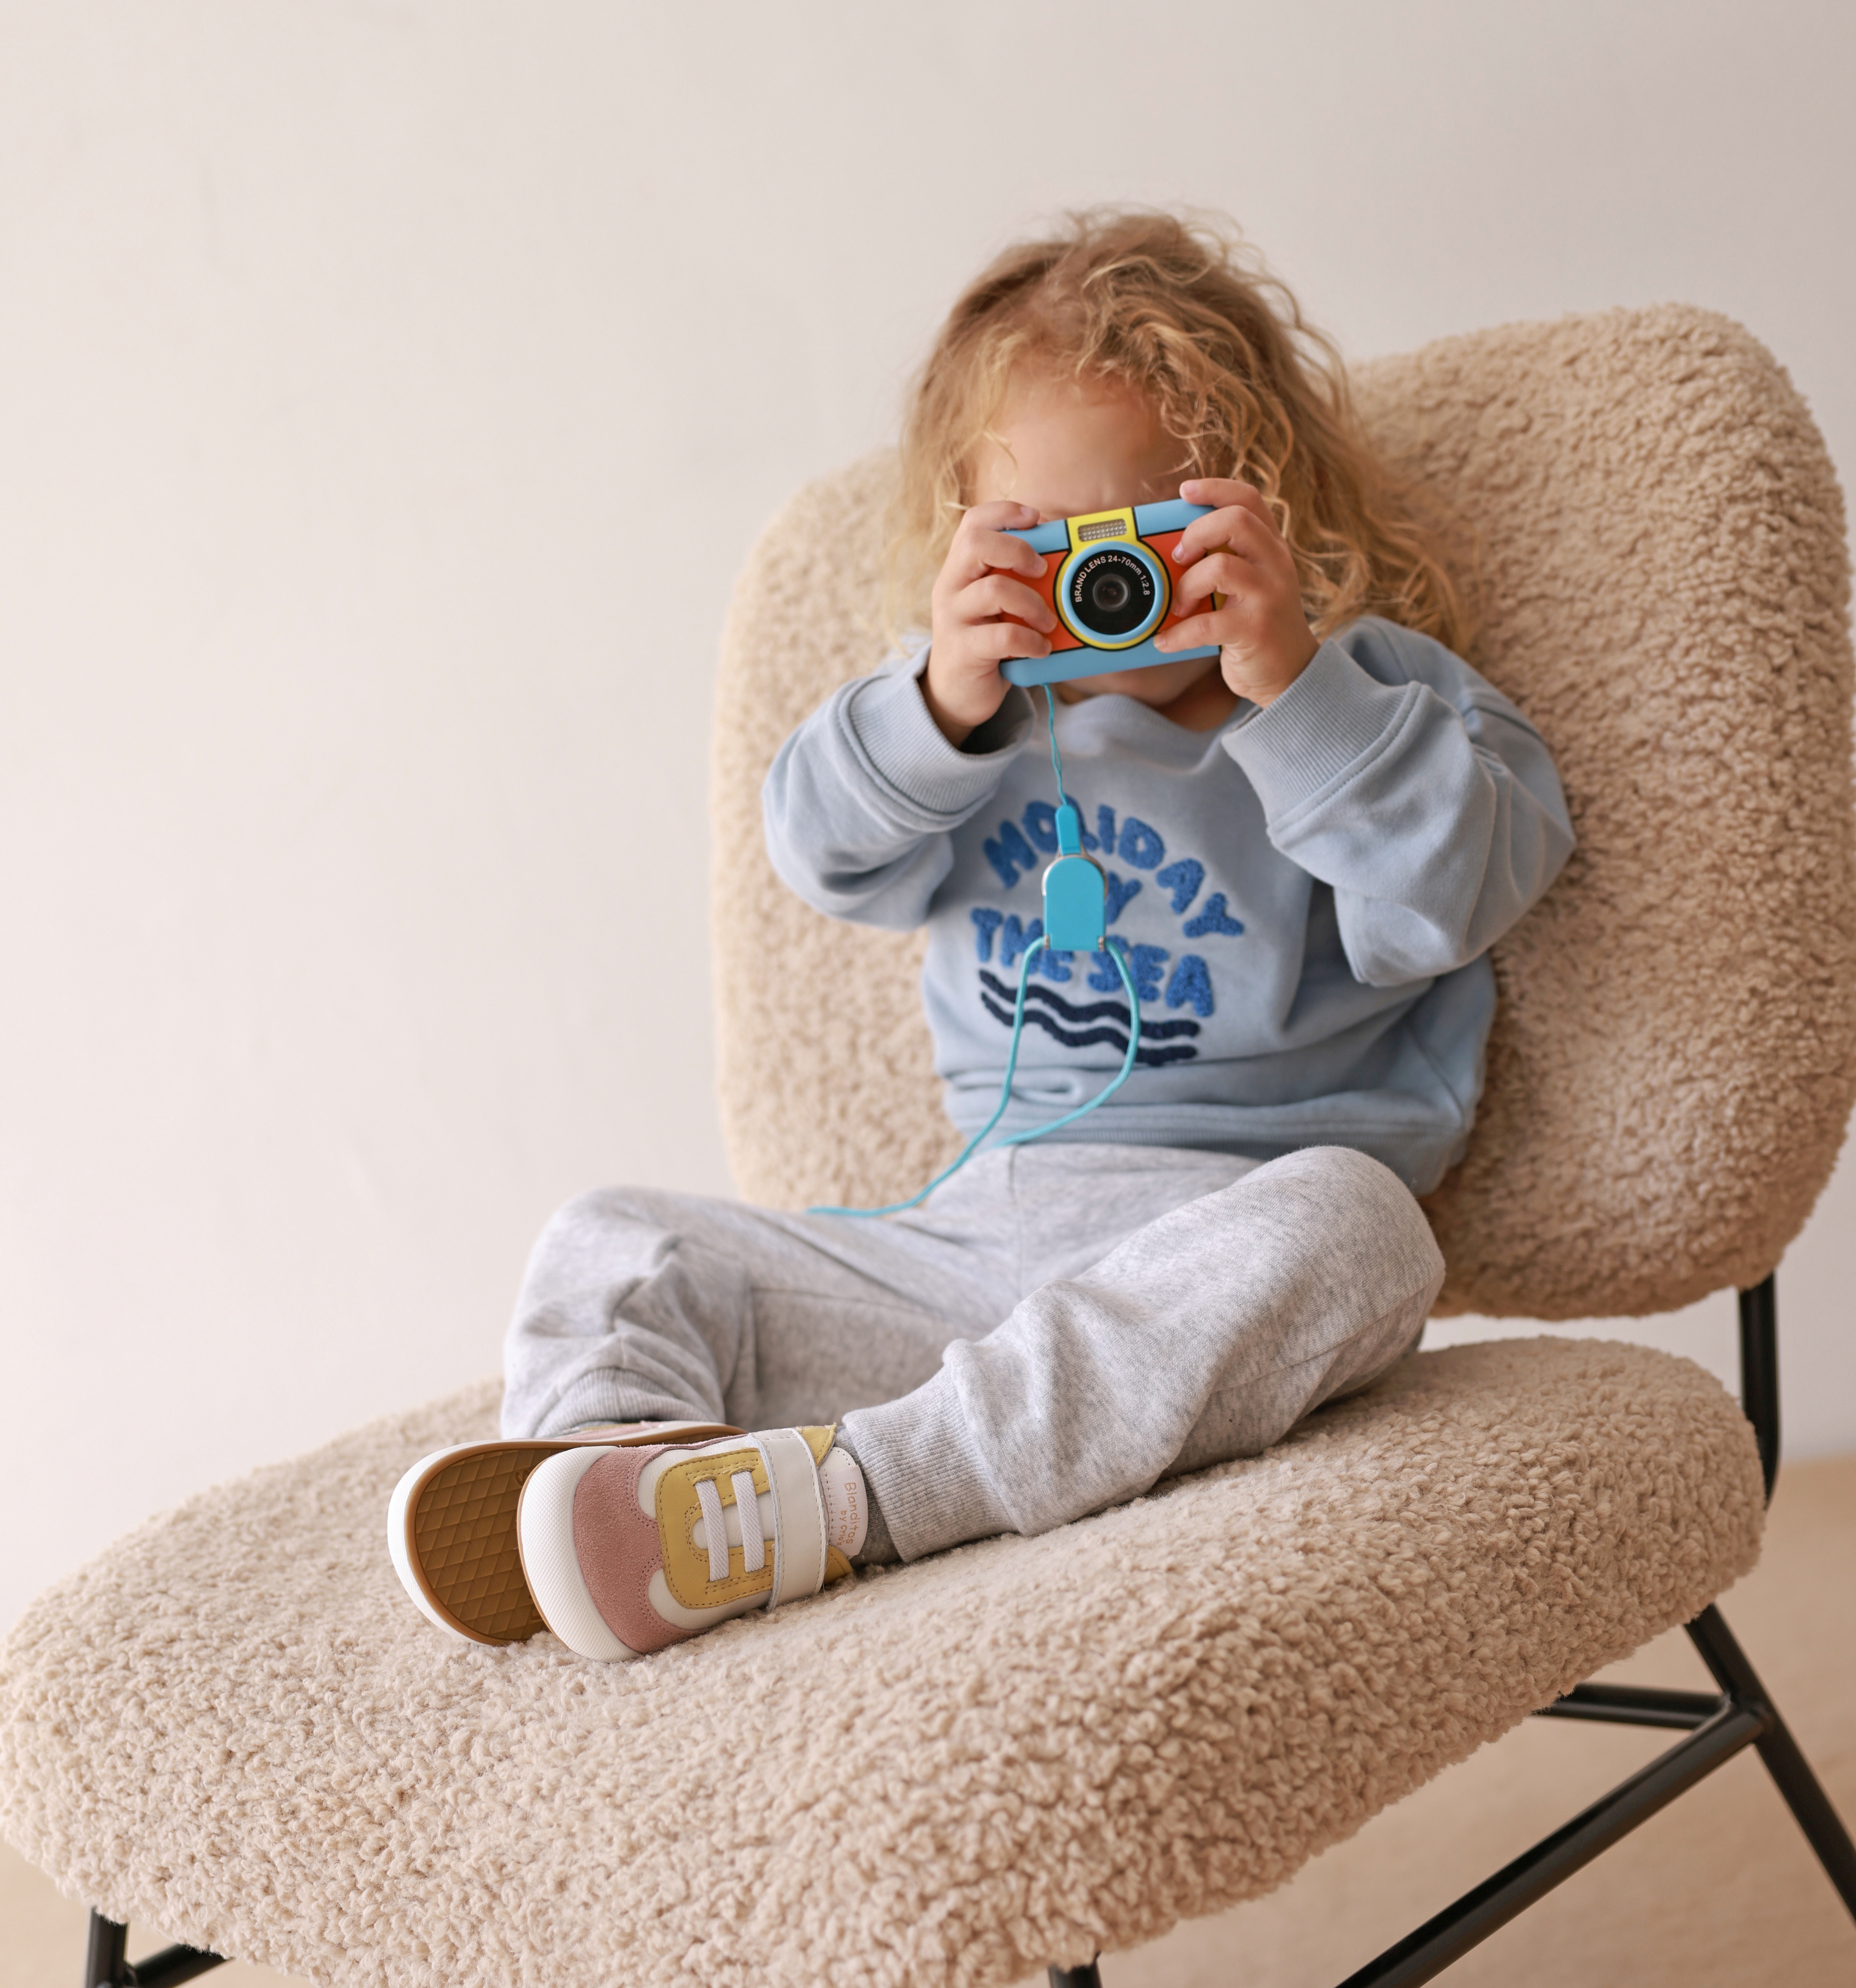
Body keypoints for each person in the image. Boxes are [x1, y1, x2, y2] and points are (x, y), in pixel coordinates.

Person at [387, 209, 1573, 1663]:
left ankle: (851, 1495)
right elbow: (816, 847)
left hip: (1222, 1248)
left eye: (1148, 531)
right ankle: (622, 1490)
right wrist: (942, 697)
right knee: (615, 1235)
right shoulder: (966, 719)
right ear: (966, 532)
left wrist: (1293, 686)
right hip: (965, 1252)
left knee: (1365, 1232)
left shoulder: (1369, 695)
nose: (1107, 587)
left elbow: (1455, 892)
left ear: (1255, 499)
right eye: (1051, 541)